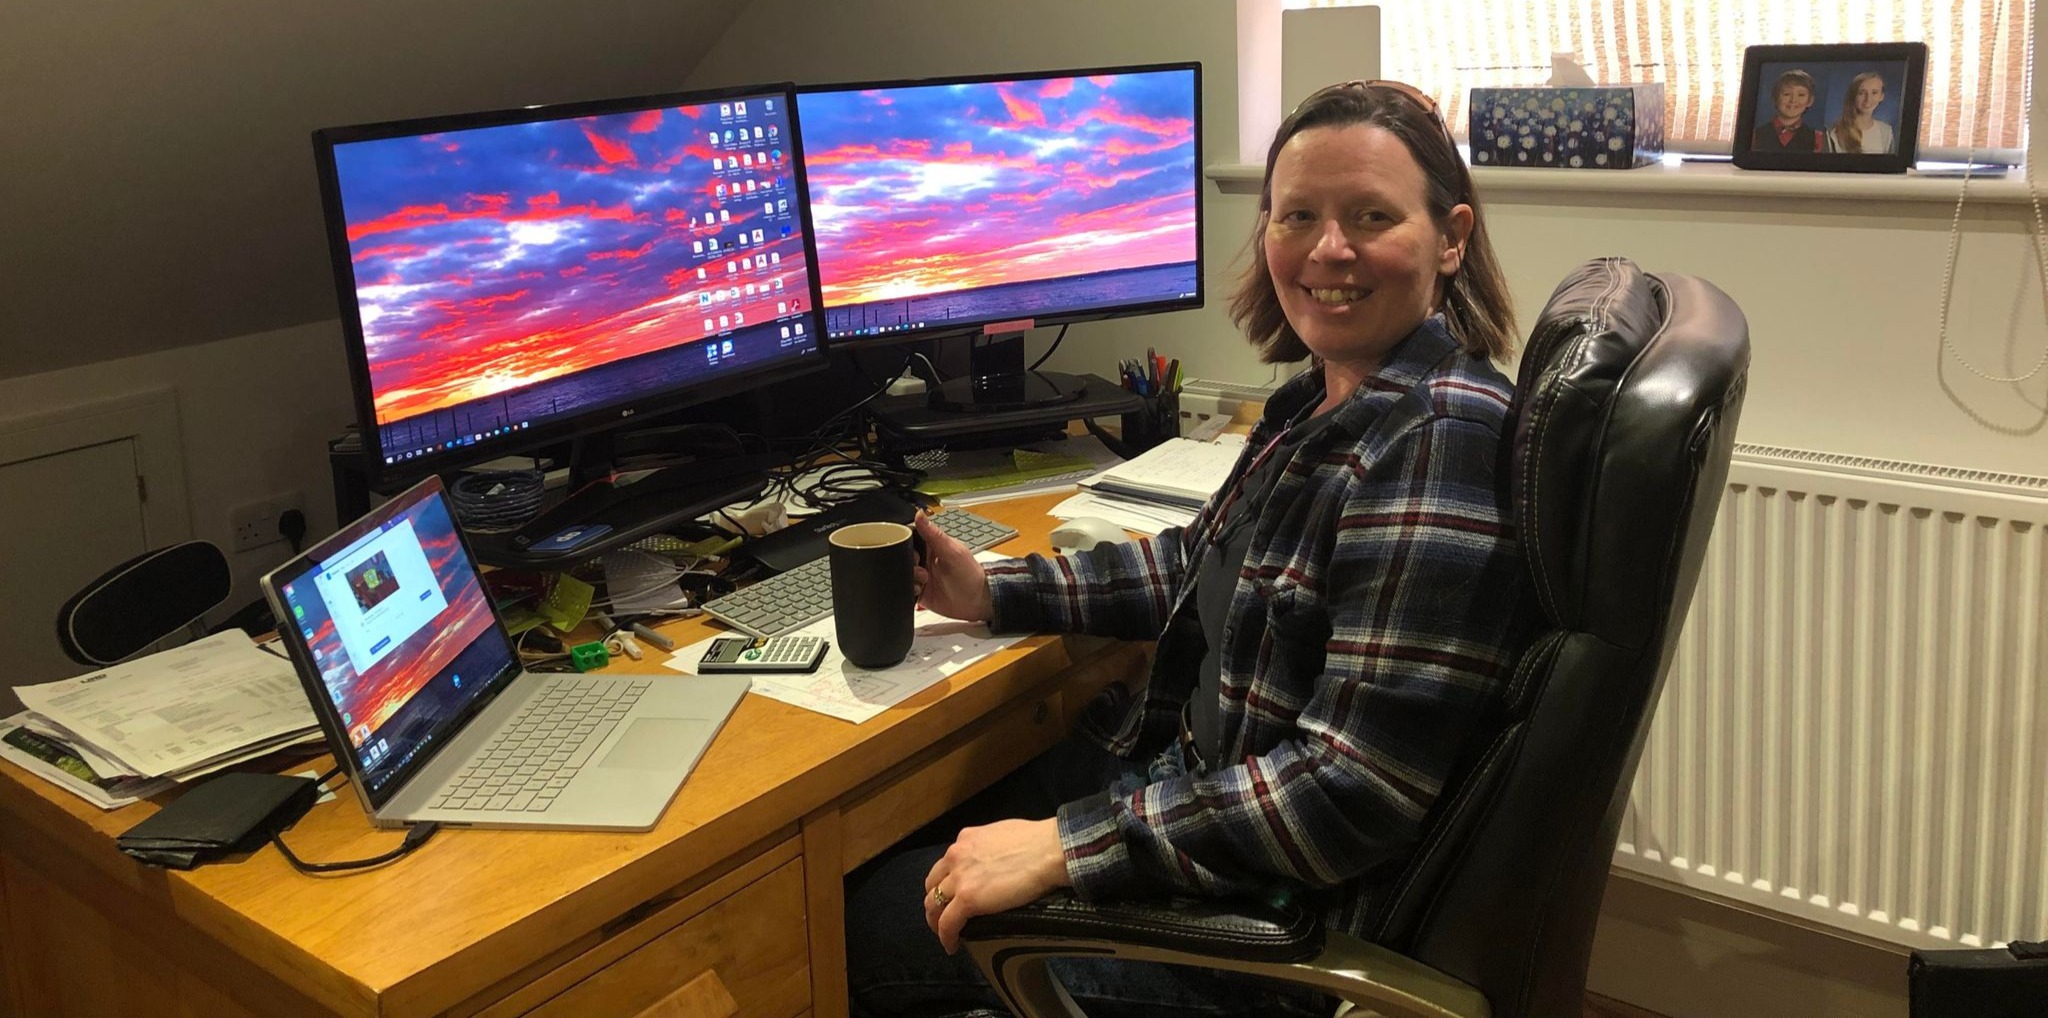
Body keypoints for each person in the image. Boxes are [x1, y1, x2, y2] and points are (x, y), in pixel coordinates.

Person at [844, 80, 1533, 1018]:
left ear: (1451, 237)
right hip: (1197, 800)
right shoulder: (1326, 396)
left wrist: (1062, 848)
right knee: (936, 817)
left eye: (1371, 216)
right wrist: (997, 591)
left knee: (865, 911)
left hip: (1248, 937)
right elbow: (1205, 563)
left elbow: (1349, 790)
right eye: (1299, 216)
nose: (1329, 250)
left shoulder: (1435, 441)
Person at [1751, 68, 1824, 152]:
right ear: (1775, 98)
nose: (1793, 100)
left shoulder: (1818, 139)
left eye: (1801, 95)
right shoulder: (1755, 136)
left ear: (1810, 101)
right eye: (1787, 94)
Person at [1827, 72, 1896, 155]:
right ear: (1853, 96)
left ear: (1881, 96)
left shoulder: (1886, 132)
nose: (1868, 99)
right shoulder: (1834, 132)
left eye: (1874, 93)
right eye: (1861, 93)